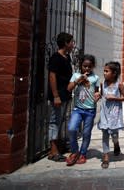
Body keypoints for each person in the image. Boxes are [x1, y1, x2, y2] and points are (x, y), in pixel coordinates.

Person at [65, 54, 101, 166]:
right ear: (81, 66)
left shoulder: (95, 78)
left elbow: (96, 91)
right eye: (84, 66)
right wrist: (78, 80)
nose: (87, 69)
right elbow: (69, 88)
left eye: (89, 66)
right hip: (78, 109)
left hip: (90, 110)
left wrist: (97, 95)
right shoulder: (76, 75)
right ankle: (74, 152)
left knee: (86, 133)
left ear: (93, 66)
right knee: (71, 128)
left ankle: (83, 153)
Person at [47, 32, 75, 162]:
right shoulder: (56, 58)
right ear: (65, 43)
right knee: (54, 121)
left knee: (62, 121)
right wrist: (55, 96)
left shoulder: (67, 57)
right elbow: (52, 76)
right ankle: (53, 150)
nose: (73, 45)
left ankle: (58, 147)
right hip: (58, 96)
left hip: (66, 95)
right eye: (71, 42)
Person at [97, 61, 124, 169]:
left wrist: (114, 98)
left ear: (114, 73)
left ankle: (116, 144)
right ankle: (106, 157)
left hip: (115, 115)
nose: (104, 73)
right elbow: (102, 94)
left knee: (114, 135)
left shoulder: (119, 84)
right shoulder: (102, 83)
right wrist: (98, 96)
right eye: (104, 71)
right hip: (105, 113)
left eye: (107, 71)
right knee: (105, 134)